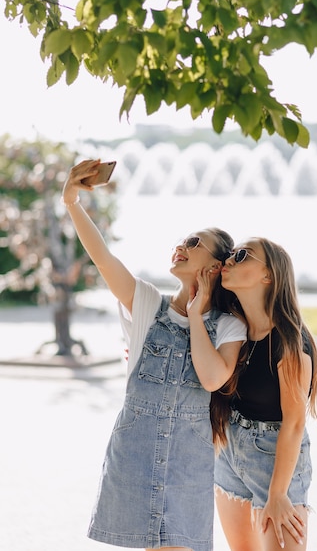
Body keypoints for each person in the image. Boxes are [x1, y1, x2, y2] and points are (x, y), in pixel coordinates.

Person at [61, 158, 247, 551]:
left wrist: (197, 315)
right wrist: (73, 204)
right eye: (182, 240)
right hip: (136, 453)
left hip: (188, 465)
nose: (181, 246)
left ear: (215, 267)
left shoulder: (230, 327)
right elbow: (104, 259)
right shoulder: (147, 303)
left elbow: (213, 379)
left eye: (194, 243)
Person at [212, 238, 317, 551]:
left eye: (242, 255)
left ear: (268, 275)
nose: (230, 260)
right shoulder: (233, 329)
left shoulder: (290, 341)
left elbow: (294, 424)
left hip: (275, 459)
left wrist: (277, 494)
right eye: (230, 255)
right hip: (229, 453)